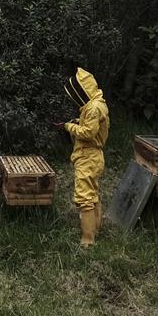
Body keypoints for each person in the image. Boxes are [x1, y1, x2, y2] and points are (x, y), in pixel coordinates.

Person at [55, 67, 109, 247]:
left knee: (84, 196)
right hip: (94, 155)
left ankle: (88, 240)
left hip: (88, 156)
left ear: (82, 90)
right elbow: (90, 125)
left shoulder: (93, 108)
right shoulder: (97, 104)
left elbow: (88, 132)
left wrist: (69, 127)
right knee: (92, 193)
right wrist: (75, 122)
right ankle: (96, 228)